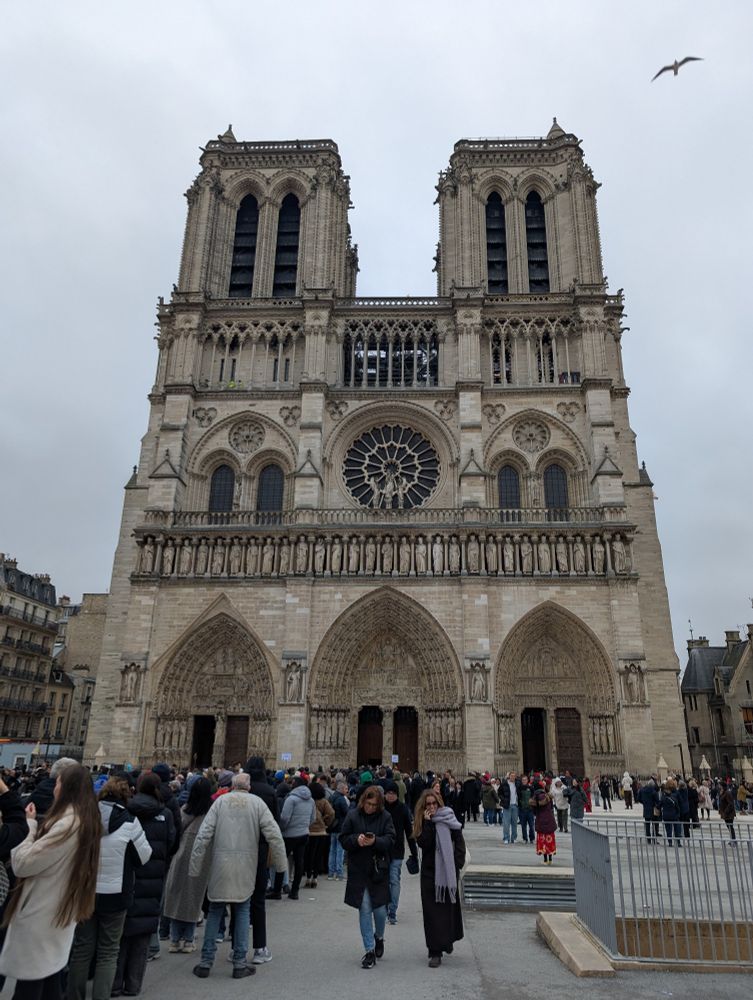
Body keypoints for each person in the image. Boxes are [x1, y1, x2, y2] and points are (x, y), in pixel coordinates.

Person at [0, 763, 101, 1000]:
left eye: (57, 783)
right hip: (59, 911)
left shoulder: (68, 823)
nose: (53, 787)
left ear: (67, 788)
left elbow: (24, 863)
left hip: (42, 914)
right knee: (49, 983)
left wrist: (30, 827)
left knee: (30, 987)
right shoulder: (87, 820)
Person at [189, 773, 286, 979]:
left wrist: (195, 867)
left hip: (220, 865)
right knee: (242, 910)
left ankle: (206, 962)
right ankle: (240, 963)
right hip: (245, 865)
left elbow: (203, 834)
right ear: (248, 787)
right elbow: (274, 835)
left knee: (215, 910)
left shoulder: (220, 802)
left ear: (232, 786)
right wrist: (280, 866)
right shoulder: (257, 803)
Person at [67, 776, 152, 1000]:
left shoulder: (83, 820)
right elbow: (144, 857)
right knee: (108, 952)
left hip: (85, 891)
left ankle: (73, 996)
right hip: (115, 895)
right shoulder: (129, 822)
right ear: (126, 797)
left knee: (82, 948)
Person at [112, 771, 177, 997]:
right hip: (153, 876)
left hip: (125, 875)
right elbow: (172, 843)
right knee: (142, 931)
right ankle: (133, 984)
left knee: (119, 929)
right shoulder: (165, 813)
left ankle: (113, 982)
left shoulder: (125, 810)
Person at [339, 785, 396, 969]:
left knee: (380, 911)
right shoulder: (353, 815)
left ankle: (379, 937)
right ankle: (369, 950)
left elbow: (391, 839)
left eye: (374, 805)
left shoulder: (385, 817)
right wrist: (357, 840)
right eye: (368, 804)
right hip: (359, 870)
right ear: (363, 801)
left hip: (378, 870)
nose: (371, 807)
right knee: (364, 909)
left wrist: (376, 841)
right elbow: (343, 838)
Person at [413, 789, 465, 968]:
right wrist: (427, 824)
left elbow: (459, 840)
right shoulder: (421, 822)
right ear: (424, 806)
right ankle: (434, 951)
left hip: (447, 873)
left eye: (434, 803)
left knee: (447, 910)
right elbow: (423, 843)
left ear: (439, 803)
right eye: (428, 804)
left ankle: (446, 941)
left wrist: (457, 863)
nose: (432, 807)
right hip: (429, 872)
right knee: (432, 913)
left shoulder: (449, 817)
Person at [162, 777, 212, 954]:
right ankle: (189, 940)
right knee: (194, 898)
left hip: (181, 857)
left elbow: (176, 831)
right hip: (202, 859)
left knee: (177, 896)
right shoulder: (211, 813)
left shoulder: (185, 809)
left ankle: (175, 940)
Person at [383, 781, 418, 926]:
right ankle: (383, 909)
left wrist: (415, 853)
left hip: (397, 851)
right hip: (382, 850)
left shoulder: (403, 809)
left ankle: (392, 911)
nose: (390, 796)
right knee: (383, 881)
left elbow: (409, 833)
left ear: (397, 795)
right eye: (388, 793)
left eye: (393, 794)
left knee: (394, 880)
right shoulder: (380, 808)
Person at [276, 776, 315, 900]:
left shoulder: (291, 799)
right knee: (299, 862)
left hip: (289, 835)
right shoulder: (311, 800)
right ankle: (295, 892)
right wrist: (304, 826)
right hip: (303, 834)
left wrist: (282, 829)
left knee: (282, 861)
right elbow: (313, 818)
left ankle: (277, 890)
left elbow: (285, 818)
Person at [304, 781, 335, 888]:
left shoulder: (308, 801)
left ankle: (308, 876)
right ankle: (315, 878)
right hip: (321, 831)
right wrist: (326, 823)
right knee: (318, 855)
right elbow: (331, 813)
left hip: (308, 830)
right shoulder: (324, 802)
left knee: (308, 855)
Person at [327, 781, 350, 881]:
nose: (347, 790)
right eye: (345, 789)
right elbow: (346, 812)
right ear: (341, 789)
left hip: (333, 826)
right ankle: (339, 873)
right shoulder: (341, 799)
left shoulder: (331, 797)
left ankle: (331, 873)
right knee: (340, 851)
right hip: (340, 826)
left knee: (332, 850)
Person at [531, 782, 556, 864]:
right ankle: (550, 859)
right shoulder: (548, 796)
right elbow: (551, 808)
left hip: (540, 820)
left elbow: (534, 811)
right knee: (549, 839)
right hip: (549, 819)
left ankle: (545, 860)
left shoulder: (535, 798)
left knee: (543, 840)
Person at [660, 778, 682, 845]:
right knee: (676, 829)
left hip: (666, 814)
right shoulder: (676, 793)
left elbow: (660, 804)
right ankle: (678, 842)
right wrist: (678, 812)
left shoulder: (664, 794)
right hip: (674, 814)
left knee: (668, 829)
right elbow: (680, 802)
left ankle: (670, 842)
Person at [518, 775, 535, 845]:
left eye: (525, 780)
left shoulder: (531, 788)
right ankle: (525, 838)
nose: (524, 781)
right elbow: (518, 797)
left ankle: (532, 838)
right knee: (523, 825)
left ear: (527, 780)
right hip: (522, 810)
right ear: (521, 781)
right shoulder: (519, 788)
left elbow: (533, 797)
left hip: (530, 810)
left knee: (531, 825)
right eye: (523, 780)